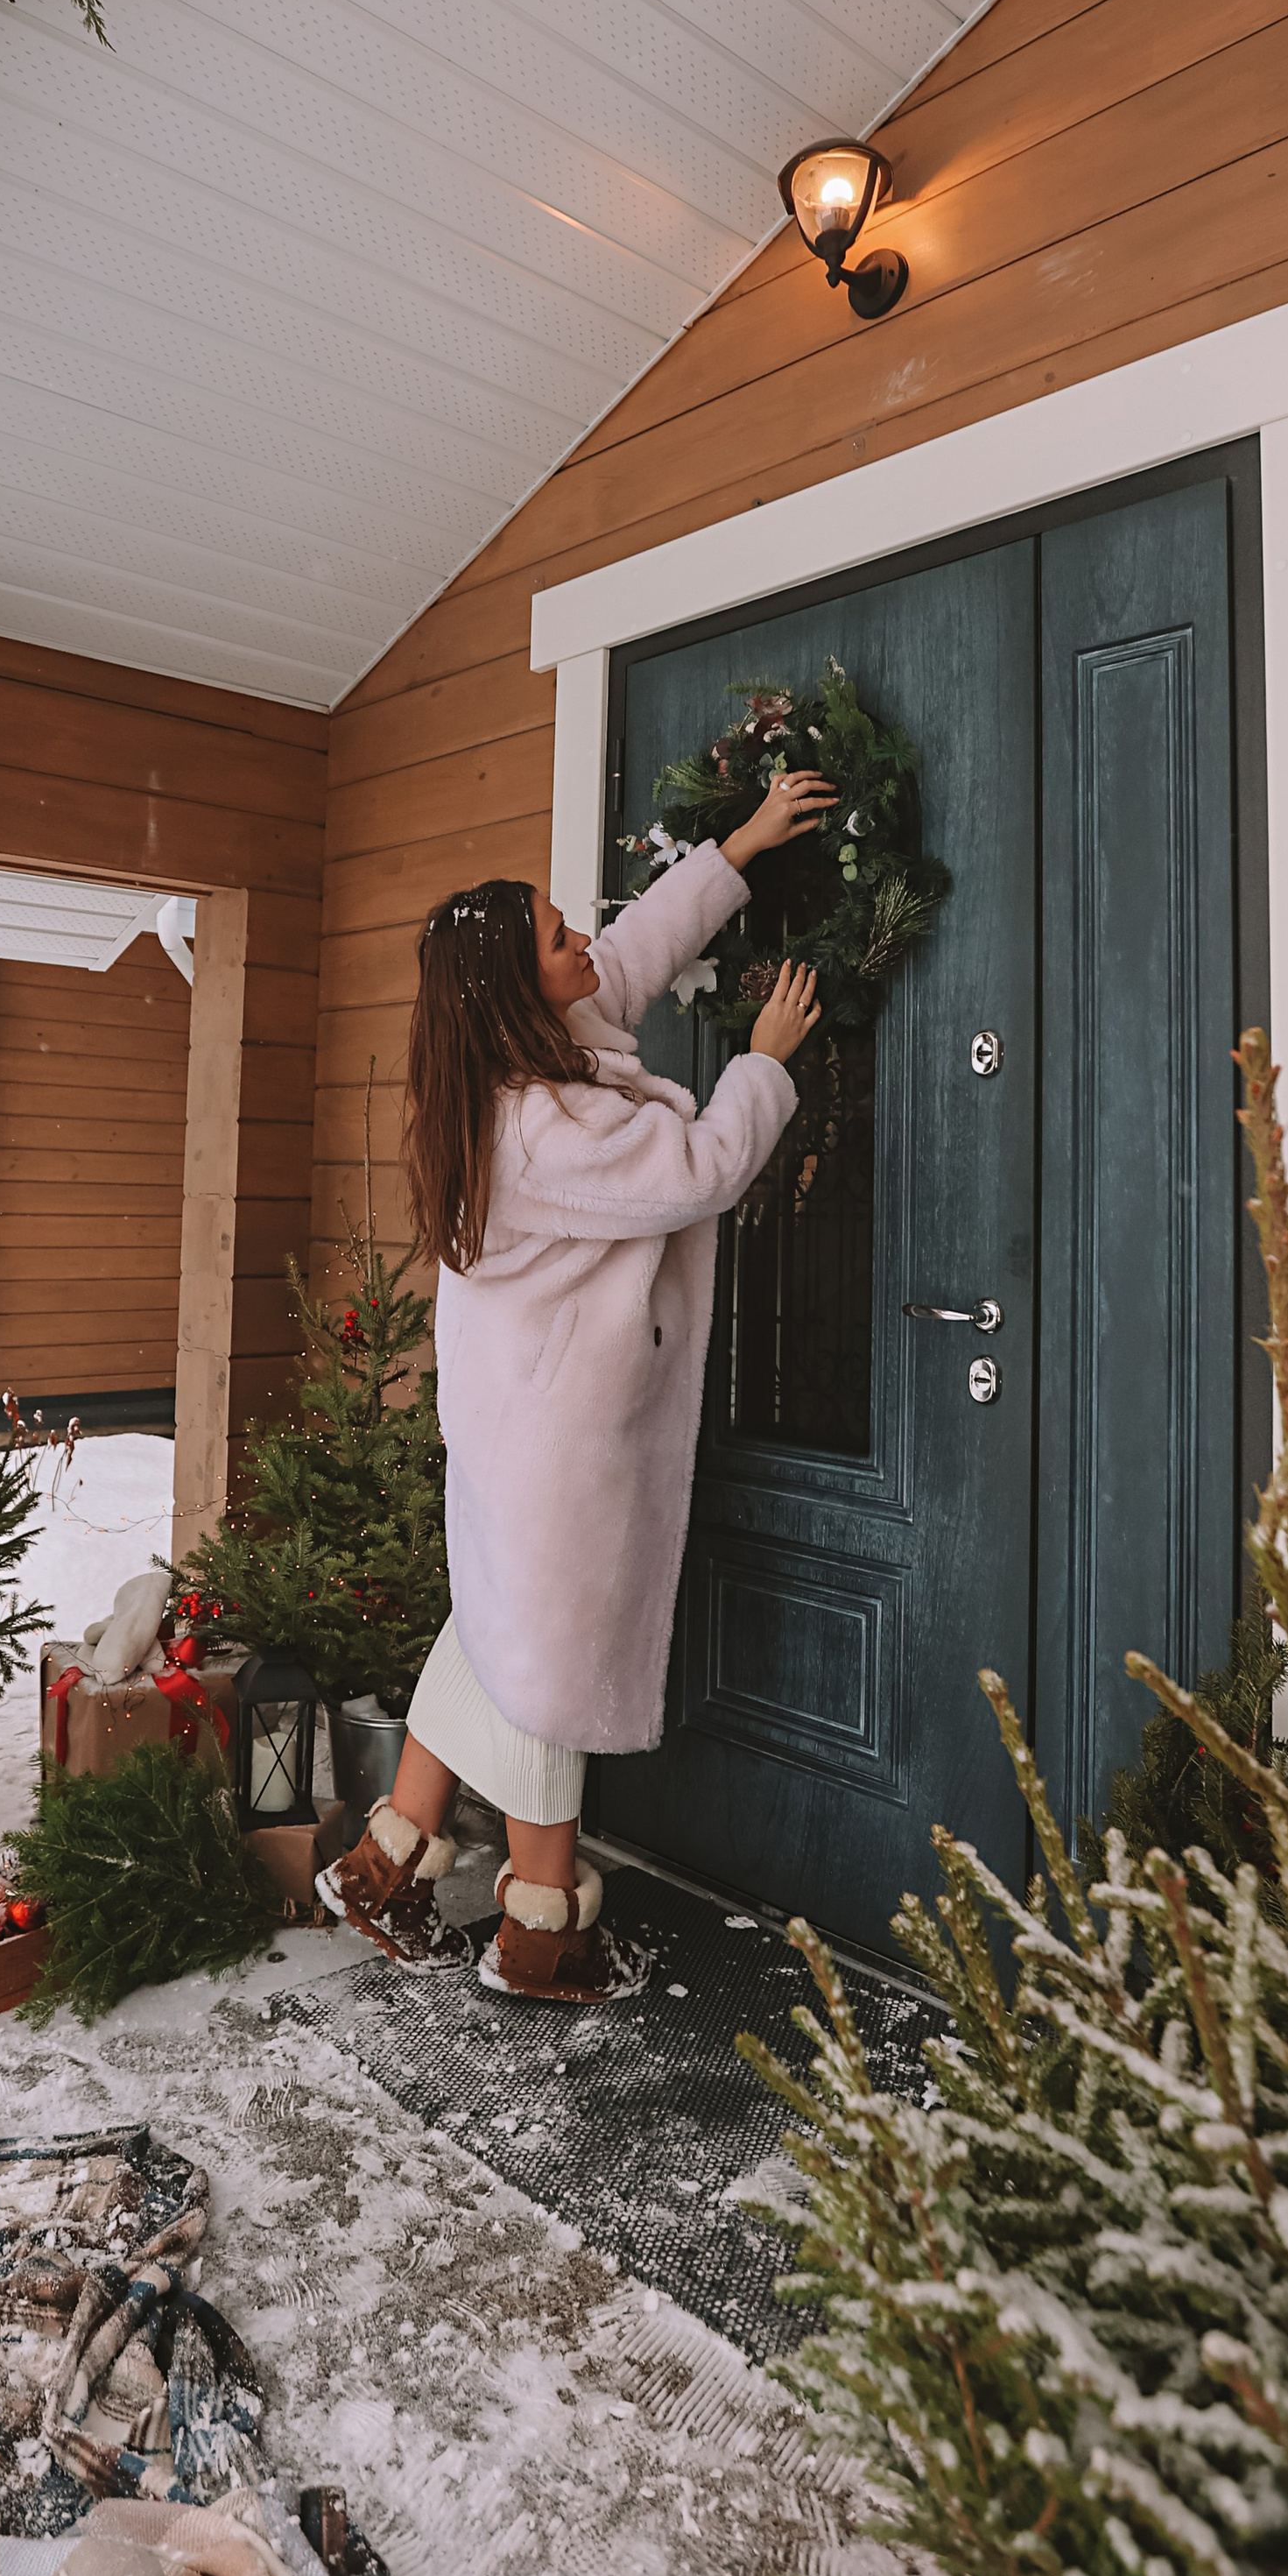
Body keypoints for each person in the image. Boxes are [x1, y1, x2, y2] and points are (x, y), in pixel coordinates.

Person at [317, 765, 837, 2000]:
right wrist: (762, 1064)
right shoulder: (541, 1127)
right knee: (550, 1673)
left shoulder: (528, 1053)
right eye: (557, 937)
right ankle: (545, 1935)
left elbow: (634, 951)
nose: (582, 941)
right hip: (557, 1443)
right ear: (519, 987)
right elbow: (700, 1169)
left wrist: (743, 845)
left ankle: (388, 1863)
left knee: (497, 1631)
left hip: (516, 1422)